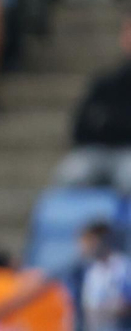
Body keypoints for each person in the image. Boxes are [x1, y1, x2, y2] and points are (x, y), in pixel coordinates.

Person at [53, 11, 131, 194]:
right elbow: (79, 127)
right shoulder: (106, 82)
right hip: (96, 152)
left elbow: (101, 122)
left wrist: (106, 123)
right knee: (70, 174)